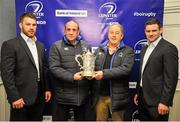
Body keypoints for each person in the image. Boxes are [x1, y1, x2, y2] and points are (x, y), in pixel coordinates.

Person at [0, 12, 51, 121]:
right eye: (28, 24)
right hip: (20, 98)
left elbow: (44, 70)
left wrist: (46, 89)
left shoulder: (40, 46)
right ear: (20, 25)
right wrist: (14, 97)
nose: (31, 27)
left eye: (34, 25)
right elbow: (6, 73)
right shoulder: (10, 45)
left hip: (39, 97)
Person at [134, 18, 179, 121]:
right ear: (145, 32)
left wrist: (165, 102)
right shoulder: (144, 49)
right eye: (148, 31)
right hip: (142, 98)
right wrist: (138, 92)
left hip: (158, 102)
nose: (151, 34)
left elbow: (171, 78)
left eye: (154, 30)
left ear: (161, 30)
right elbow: (143, 73)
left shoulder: (169, 48)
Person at [49, 20, 92, 121]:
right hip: (64, 96)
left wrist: (90, 74)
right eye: (68, 29)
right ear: (64, 31)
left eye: (74, 30)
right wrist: (72, 77)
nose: (71, 32)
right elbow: (54, 68)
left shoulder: (86, 46)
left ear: (78, 32)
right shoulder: (56, 46)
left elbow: (89, 66)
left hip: (81, 95)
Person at [92, 22, 134, 121]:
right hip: (100, 97)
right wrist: (90, 74)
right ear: (108, 34)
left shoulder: (128, 51)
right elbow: (92, 69)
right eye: (111, 32)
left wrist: (103, 73)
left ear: (121, 35)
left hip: (117, 97)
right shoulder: (98, 50)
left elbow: (125, 70)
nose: (114, 35)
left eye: (117, 33)